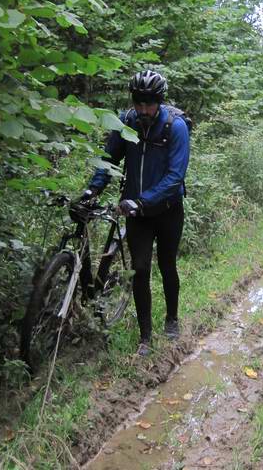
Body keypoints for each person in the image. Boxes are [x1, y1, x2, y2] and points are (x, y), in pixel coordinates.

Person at [82, 70, 190, 356]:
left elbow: (175, 176)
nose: (143, 109)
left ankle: (172, 319)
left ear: (159, 101)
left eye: (149, 103)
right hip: (137, 213)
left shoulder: (174, 127)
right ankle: (145, 336)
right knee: (140, 270)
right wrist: (92, 191)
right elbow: (109, 160)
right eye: (138, 102)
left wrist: (142, 201)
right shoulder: (126, 123)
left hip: (167, 210)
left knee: (167, 265)